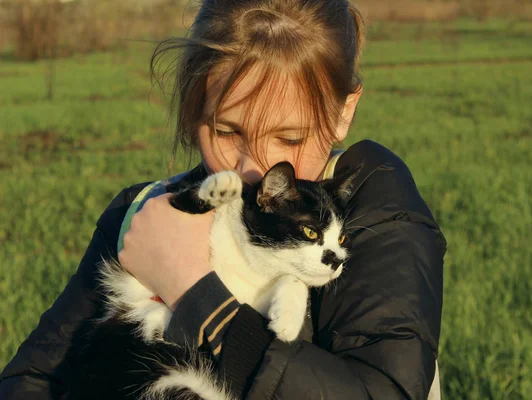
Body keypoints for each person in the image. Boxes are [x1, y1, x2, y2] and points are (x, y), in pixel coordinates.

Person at [0, 0, 446, 398]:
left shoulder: (376, 206)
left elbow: (384, 389)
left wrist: (197, 294)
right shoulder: (144, 211)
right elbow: (37, 374)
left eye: (289, 136)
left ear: (343, 112)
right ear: (195, 108)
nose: (254, 166)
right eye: (227, 130)